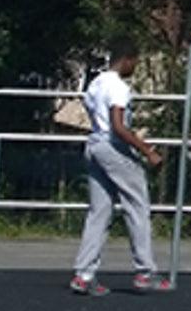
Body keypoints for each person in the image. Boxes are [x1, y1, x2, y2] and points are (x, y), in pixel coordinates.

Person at [71, 36, 172, 296]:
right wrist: (148, 151)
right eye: (135, 62)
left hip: (94, 144)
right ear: (126, 60)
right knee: (137, 205)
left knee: (99, 211)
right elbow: (118, 126)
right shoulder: (118, 87)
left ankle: (84, 274)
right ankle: (145, 271)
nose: (135, 67)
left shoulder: (95, 84)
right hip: (112, 146)